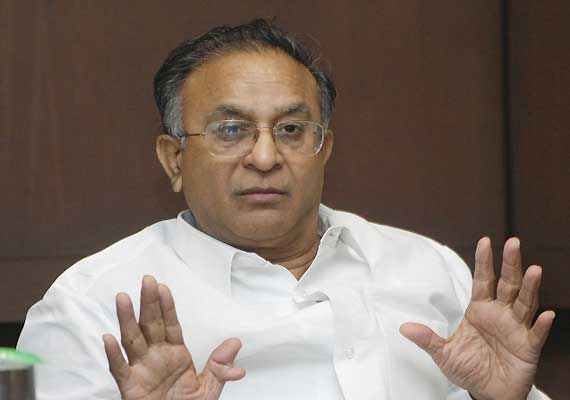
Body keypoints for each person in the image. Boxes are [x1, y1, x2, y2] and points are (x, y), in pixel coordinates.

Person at [17, 19, 554, 400]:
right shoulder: (90, 308)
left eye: (292, 129)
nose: (265, 157)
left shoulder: (428, 268)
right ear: (174, 159)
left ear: (324, 150)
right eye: (231, 130)